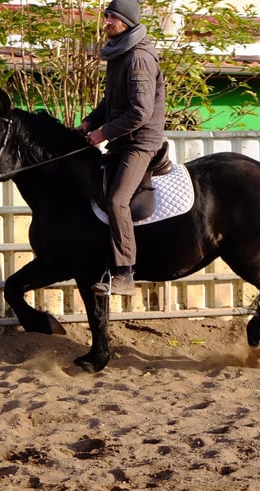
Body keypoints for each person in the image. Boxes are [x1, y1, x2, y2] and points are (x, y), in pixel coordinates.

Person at [77, 0, 166, 297]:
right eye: (106, 16)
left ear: (126, 21)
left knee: (116, 201)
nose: (106, 22)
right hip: (122, 140)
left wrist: (103, 132)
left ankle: (125, 274)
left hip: (140, 142)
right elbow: (111, 102)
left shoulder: (138, 58)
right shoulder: (120, 54)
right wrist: (89, 122)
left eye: (111, 18)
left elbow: (140, 112)